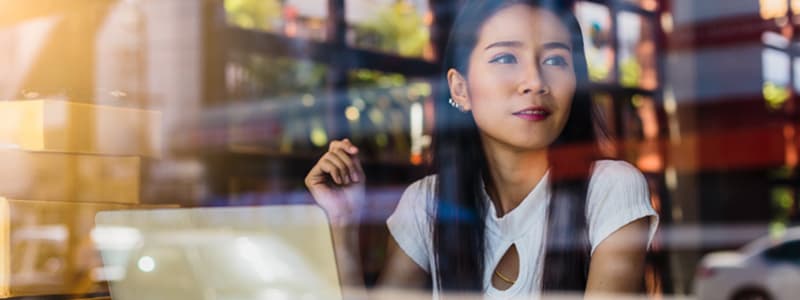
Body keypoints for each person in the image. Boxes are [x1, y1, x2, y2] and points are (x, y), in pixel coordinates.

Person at [305, 1, 659, 299]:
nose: (535, 82)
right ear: (460, 89)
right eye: (506, 58)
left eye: (554, 61)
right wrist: (343, 224)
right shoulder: (427, 203)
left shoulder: (610, 187)